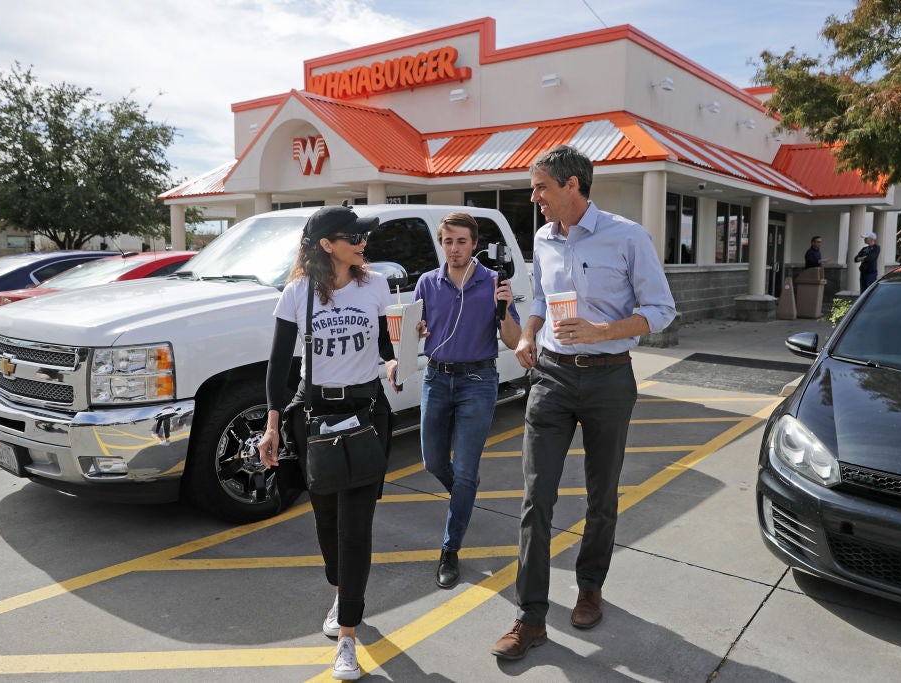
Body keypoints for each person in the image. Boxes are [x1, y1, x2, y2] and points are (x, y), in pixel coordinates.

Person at [491, 145, 676, 660]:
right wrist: (529, 335)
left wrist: (602, 331)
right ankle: (531, 617)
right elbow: (543, 303)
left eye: (541, 187)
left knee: (602, 494)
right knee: (536, 499)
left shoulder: (628, 236)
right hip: (550, 378)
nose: (535, 198)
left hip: (608, 380)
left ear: (573, 186)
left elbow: (660, 311)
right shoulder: (544, 239)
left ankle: (590, 586)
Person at [257, 205, 399, 681]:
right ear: (326, 244)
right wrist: (273, 425)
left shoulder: (376, 285)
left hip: (366, 413)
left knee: (356, 525)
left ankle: (347, 637)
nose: (362, 242)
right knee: (327, 519)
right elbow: (279, 366)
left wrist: (397, 357)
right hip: (314, 414)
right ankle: (341, 591)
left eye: (363, 236)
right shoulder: (297, 294)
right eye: (353, 236)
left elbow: (385, 341)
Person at [413, 212, 522, 589]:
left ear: (474, 244)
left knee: (463, 472)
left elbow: (512, 340)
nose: (454, 248)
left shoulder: (493, 282)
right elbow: (416, 333)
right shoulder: (428, 282)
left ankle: (450, 549)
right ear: (440, 244)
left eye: (462, 241)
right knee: (433, 461)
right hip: (437, 378)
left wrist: (505, 307)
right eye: (448, 241)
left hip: (478, 380)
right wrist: (414, 335)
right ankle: (465, 489)